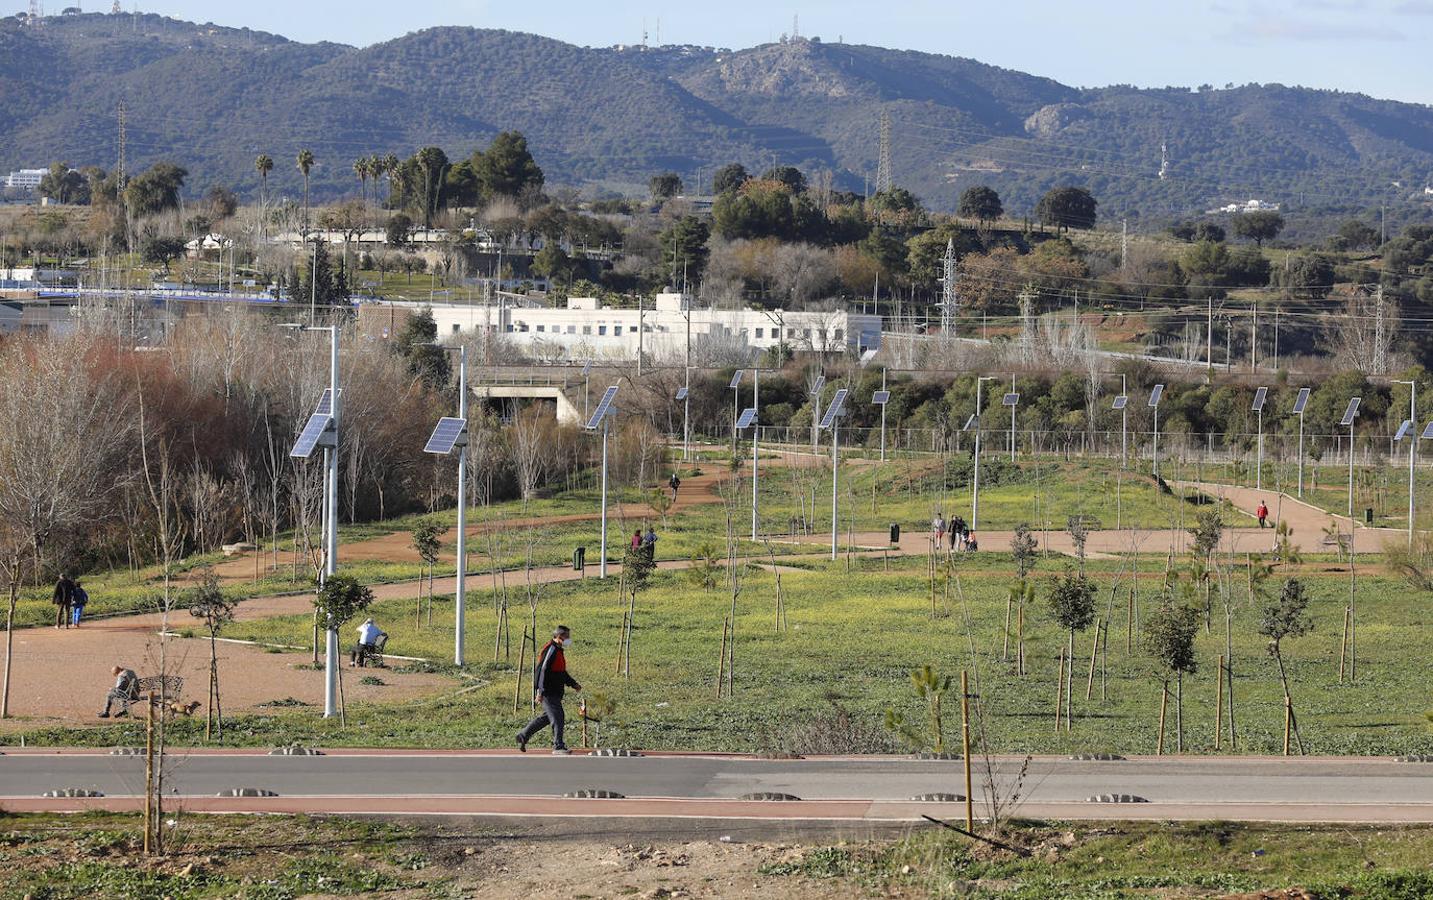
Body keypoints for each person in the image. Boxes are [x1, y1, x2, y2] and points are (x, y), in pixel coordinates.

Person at [516, 625, 582, 754]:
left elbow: (561, 672)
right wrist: (539, 692)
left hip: (555, 692)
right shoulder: (550, 649)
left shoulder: (558, 650)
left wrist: (573, 684)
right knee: (558, 716)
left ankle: (523, 736)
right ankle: (558, 746)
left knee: (547, 718)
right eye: (567, 636)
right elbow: (541, 671)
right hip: (548, 692)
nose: (569, 639)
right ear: (559, 637)